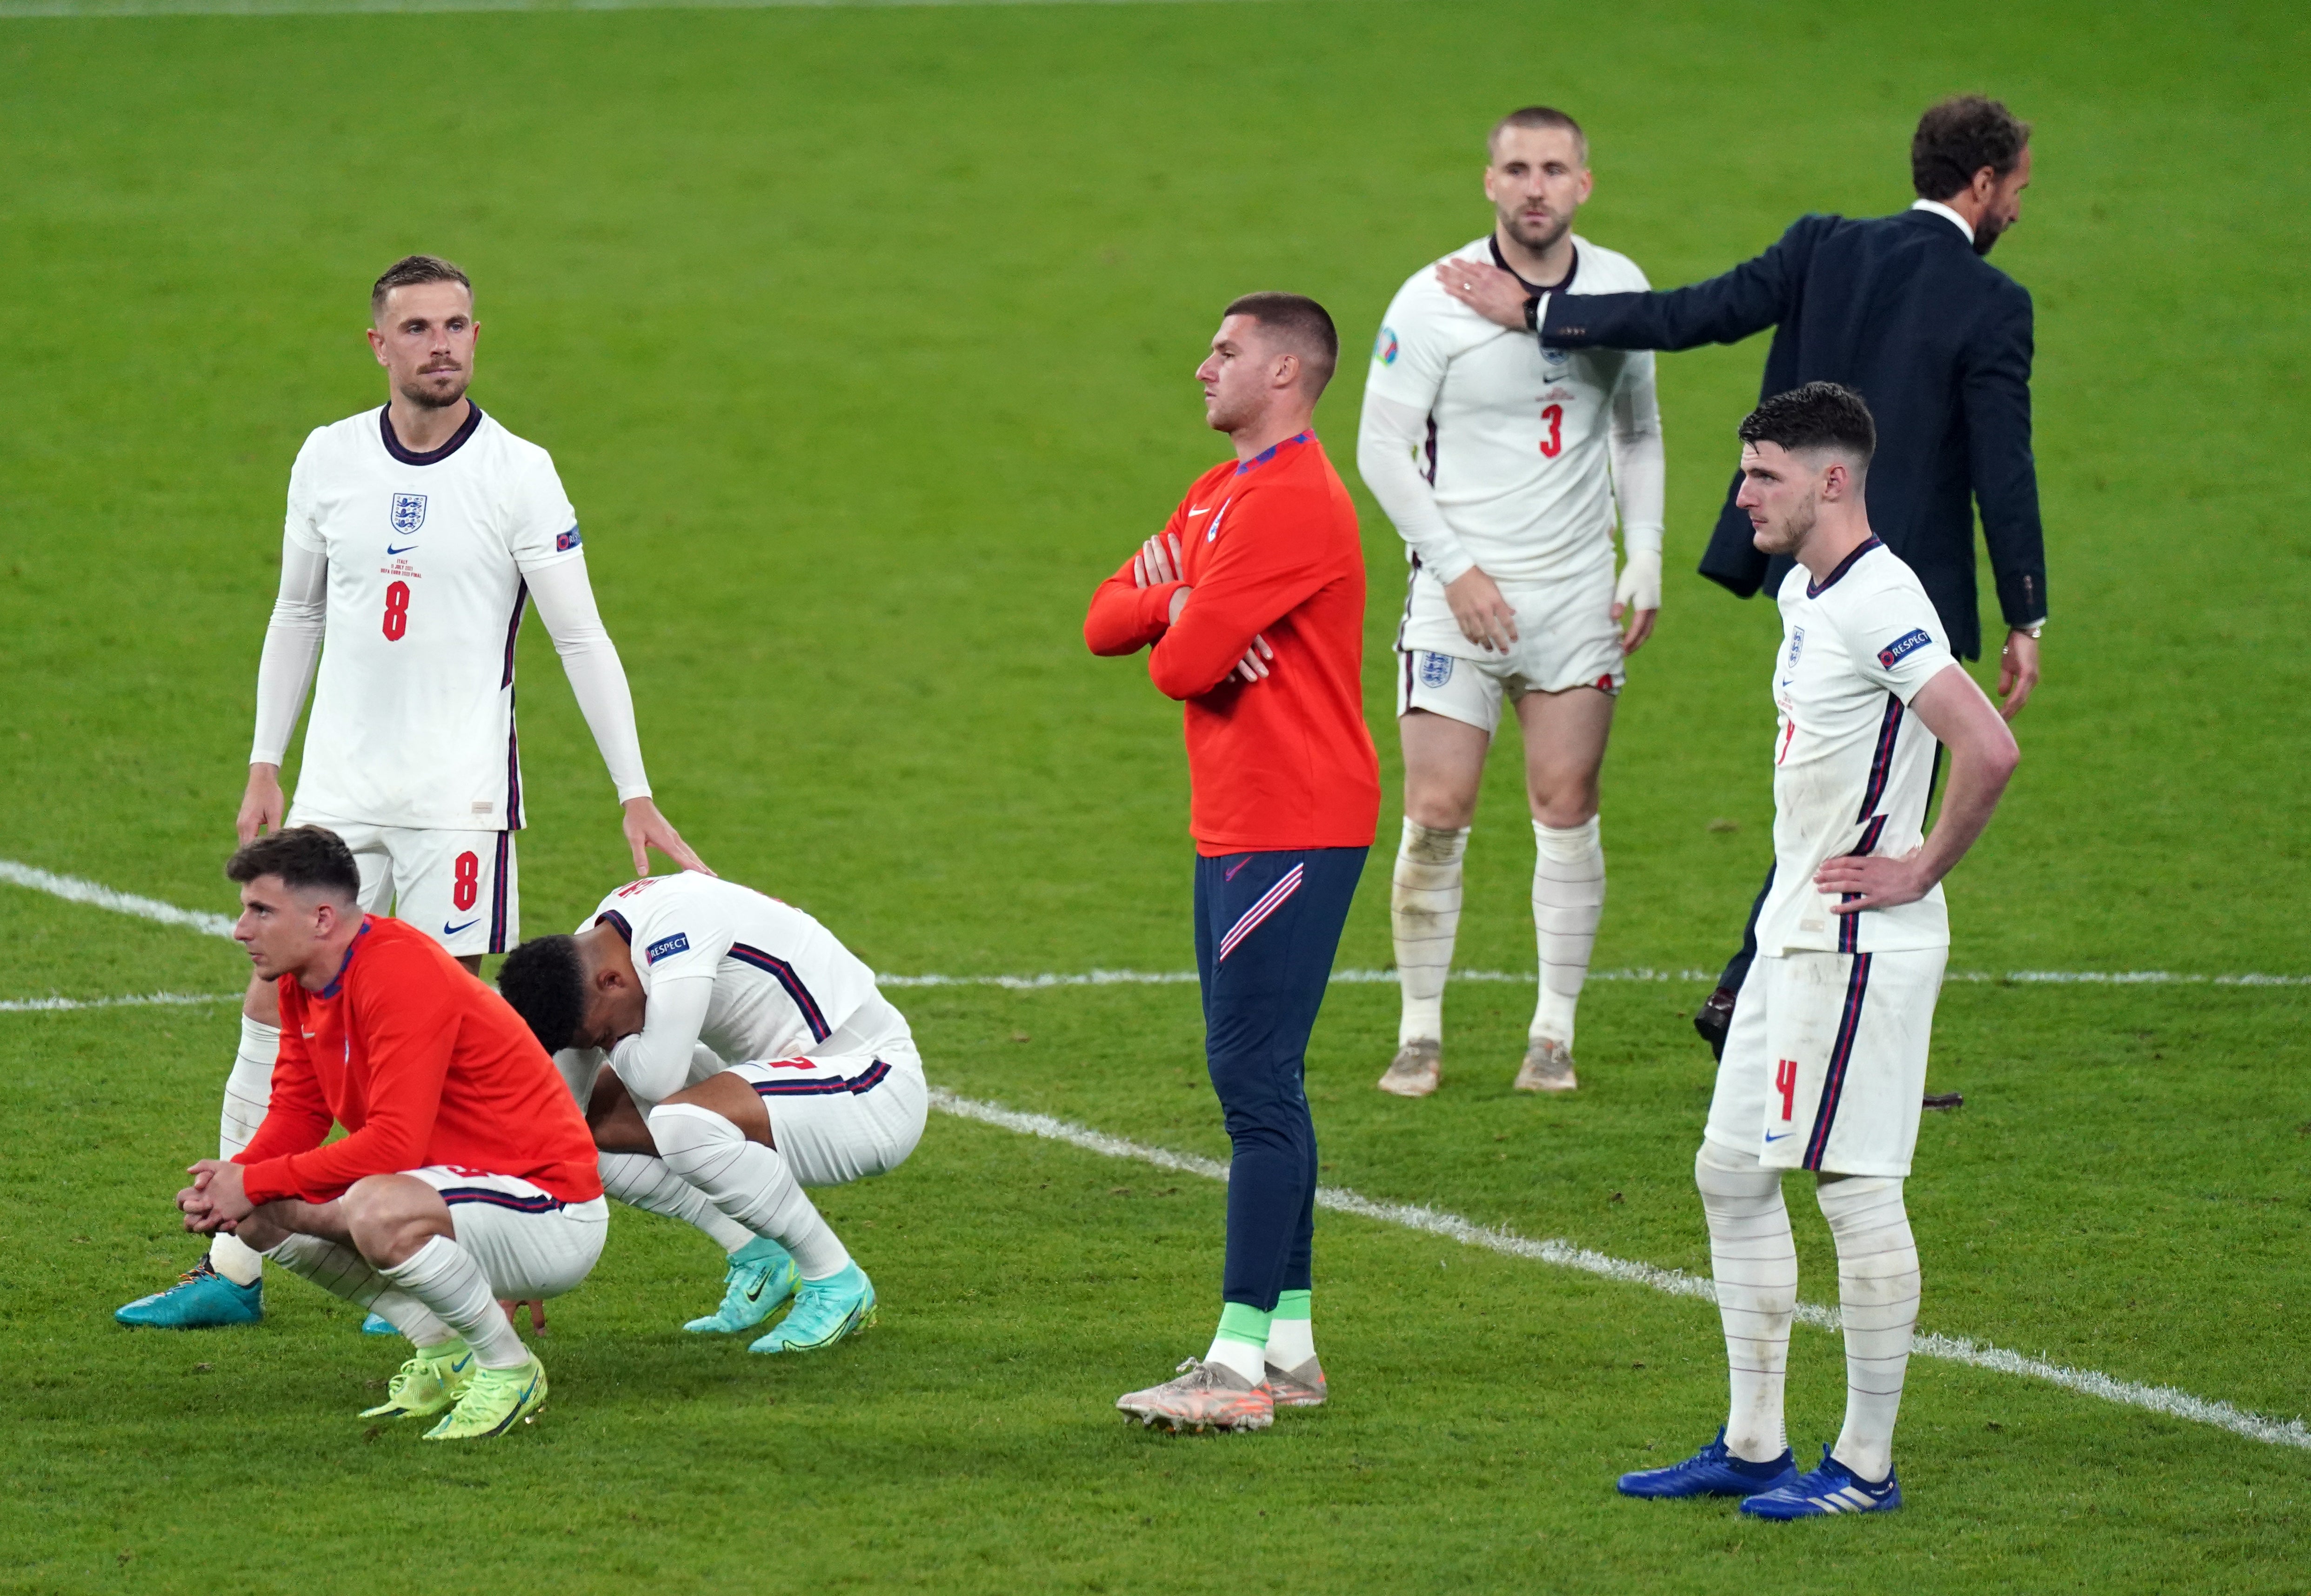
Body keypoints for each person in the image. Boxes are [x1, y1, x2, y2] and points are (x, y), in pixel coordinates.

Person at [119, 254, 706, 1331]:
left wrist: (635, 788)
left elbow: (579, 632)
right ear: (379, 345)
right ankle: (230, 1267)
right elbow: (296, 613)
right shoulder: (328, 457)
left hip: (457, 804)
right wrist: (265, 756)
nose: (444, 343)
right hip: (338, 795)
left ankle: (439, 1264)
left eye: (460, 325)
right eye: (420, 327)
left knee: (432, 1036)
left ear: (477, 338)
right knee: (271, 1010)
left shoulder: (520, 471)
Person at [1435, 96, 2047, 1057]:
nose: (2018, 205)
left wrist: (1542, 312)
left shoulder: (1824, 247)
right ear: (1982, 185)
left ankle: (1752, 996)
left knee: (1830, 797)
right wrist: (2027, 613)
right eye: (2017, 186)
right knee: (1875, 820)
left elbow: (1691, 315)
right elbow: (2003, 467)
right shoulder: (1993, 302)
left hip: (1804, 574)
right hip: (1904, 597)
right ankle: (1783, 1017)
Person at [1614, 385, 2017, 1516]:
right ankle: (1751, 1444)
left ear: (1831, 480)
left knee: (1849, 1187)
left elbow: (1985, 744)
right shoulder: (1803, 588)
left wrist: (1918, 867)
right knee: (1730, 1173)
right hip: (1790, 936)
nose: (1741, 495)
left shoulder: (1879, 600)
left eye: (1763, 477)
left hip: (1852, 946)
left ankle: (1864, 1467)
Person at [1085, 293, 1379, 1433]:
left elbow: (1172, 669)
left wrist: (1188, 621)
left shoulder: (1290, 503)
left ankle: (1235, 1362)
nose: (1201, 366)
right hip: (1239, 824)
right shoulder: (1217, 494)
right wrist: (1184, 603)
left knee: (1253, 1084)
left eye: (1225, 351)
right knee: (1268, 1081)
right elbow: (1108, 622)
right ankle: (1291, 1346)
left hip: (1292, 823)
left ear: (1287, 373)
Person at [1360, 105, 1663, 1098]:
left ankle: (1553, 1037)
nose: (1536, 186)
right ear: (1489, 182)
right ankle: (1418, 1034)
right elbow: (1380, 448)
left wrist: (1644, 554)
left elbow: (1637, 433)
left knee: (1566, 807)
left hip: (1576, 595)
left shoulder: (1620, 290)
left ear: (1586, 183)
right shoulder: (1431, 299)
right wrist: (1456, 568)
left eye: (1555, 169)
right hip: (1459, 599)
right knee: (1436, 812)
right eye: (1518, 168)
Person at [176, 827, 609, 1441]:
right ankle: (442, 1347)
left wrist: (254, 1179)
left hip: (550, 1211)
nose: (240, 929)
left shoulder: (399, 973)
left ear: (322, 918)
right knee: (257, 1215)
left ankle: (508, 1366)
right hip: (460, 1199)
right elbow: (301, 1110)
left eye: (260, 911)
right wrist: (233, 1182)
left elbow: (393, 1146)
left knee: (378, 1207)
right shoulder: (306, 982)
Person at [494, 871, 924, 1353]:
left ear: (611, 982)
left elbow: (658, 1077)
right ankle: (759, 1253)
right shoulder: (596, 948)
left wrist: (614, 1050)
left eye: (606, 1035)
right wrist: (519, 1260)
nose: (612, 1044)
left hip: (872, 1086)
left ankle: (836, 1283)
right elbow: (561, 1120)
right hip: (787, 1082)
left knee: (682, 1123)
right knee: (584, 1132)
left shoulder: (677, 924)